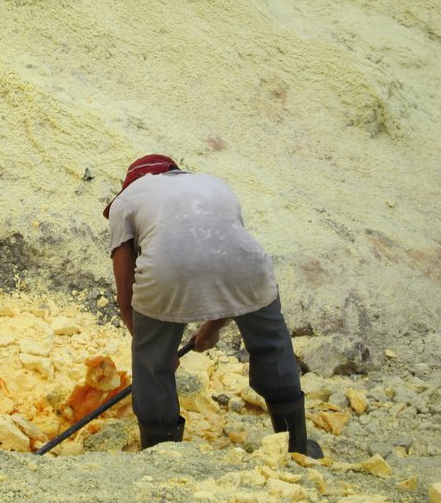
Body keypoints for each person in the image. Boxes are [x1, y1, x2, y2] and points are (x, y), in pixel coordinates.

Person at [105, 154, 322, 457]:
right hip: (248, 267)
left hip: (168, 269)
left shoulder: (126, 200)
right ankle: (296, 445)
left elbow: (125, 293)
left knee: (152, 367)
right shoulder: (214, 185)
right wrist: (211, 329)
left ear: (131, 182)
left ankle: (162, 457)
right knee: (272, 345)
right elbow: (226, 258)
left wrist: (154, 351)